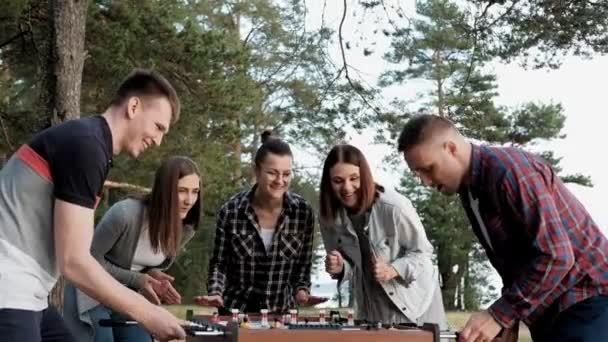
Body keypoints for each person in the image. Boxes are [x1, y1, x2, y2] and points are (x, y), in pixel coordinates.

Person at [0, 69, 187, 341]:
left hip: (31, 291)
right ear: (134, 107)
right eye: (158, 127)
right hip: (9, 283)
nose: (158, 141)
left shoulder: (92, 143)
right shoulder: (86, 145)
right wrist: (146, 313)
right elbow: (74, 262)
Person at [398, 114, 608, 342]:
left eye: (428, 169)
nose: (426, 181)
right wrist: (510, 317)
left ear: (450, 148)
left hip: (587, 297)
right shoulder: (470, 190)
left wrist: (498, 315)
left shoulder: (510, 171)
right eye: (417, 173)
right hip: (553, 310)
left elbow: (557, 256)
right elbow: (517, 262)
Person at [63, 156, 202, 341]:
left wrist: (153, 275)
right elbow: (87, 260)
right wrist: (137, 279)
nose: (190, 200)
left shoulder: (186, 228)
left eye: (195, 191)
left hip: (130, 296)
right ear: (164, 191)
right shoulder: (125, 214)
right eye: (182, 191)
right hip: (91, 292)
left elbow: (137, 263)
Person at [319, 144, 447, 328]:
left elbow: (423, 253)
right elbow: (350, 265)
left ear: (365, 175)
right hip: (372, 307)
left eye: (354, 178)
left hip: (416, 306)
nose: (347, 188)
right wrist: (340, 267)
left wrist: (393, 270)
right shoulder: (329, 217)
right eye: (338, 181)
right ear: (328, 183)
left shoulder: (394, 207)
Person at [197, 131, 316, 314]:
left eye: (286, 174)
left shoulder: (303, 213)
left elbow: (302, 266)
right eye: (272, 173)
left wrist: (301, 291)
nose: (280, 181)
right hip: (236, 312)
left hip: (281, 316)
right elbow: (220, 264)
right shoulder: (231, 211)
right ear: (256, 170)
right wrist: (215, 292)